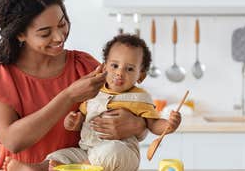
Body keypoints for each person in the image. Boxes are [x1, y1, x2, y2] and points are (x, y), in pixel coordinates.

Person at [0, 0, 148, 170]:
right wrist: (69, 96)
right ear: (20, 34)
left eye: (62, 24)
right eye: (45, 33)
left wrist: (138, 125)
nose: (59, 37)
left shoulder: (83, 65)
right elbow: (12, 141)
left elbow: (134, 114)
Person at [46, 34, 182, 171]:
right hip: (87, 150)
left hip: (123, 151)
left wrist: (169, 125)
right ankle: (80, 166)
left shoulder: (140, 98)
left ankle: (82, 168)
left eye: (129, 69)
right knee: (57, 157)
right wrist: (72, 122)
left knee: (112, 151)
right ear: (104, 68)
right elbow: (81, 119)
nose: (120, 73)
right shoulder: (93, 91)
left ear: (141, 76)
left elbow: (154, 125)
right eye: (115, 65)